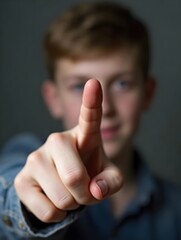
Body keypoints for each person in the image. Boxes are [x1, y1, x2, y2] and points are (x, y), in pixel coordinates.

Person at [0, 1, 181, 240]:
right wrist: (29, 205)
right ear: (53, 99)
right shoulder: (25, 156)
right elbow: (9, 189)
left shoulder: (176, 210)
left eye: (122, 83)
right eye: (78, 86)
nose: (104, 108)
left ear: (147, 93)